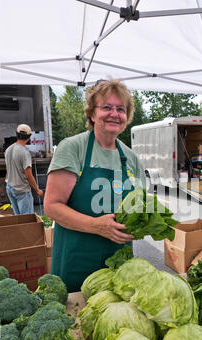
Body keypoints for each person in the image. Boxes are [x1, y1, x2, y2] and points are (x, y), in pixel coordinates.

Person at [44, 79, 146, 293]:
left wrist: (145, 223)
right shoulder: (73, 148)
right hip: (77, 261)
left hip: (120, 263)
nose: (114, 114)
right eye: (106, 107)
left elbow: (139, 206)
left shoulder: (131, 158)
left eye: (121, 109)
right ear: (91, 113)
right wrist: (98, 226)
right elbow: (52, 206)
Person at [5, 124, 43, 215]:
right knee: (27, 220)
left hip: (10, 187)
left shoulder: (8, 149)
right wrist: (37, 190)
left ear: (17, 134)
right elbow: (28, 175)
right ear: (29, 137)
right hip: (21, 190)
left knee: (18, 219)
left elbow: (8, 169)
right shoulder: (24, 153)